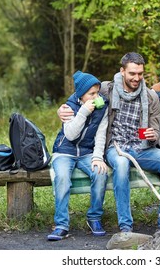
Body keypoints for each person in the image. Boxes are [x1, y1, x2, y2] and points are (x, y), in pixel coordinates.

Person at [58, 52, 160, 232]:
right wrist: (62, 109)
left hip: (141, 147)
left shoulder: (150, 96)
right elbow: (81, 94)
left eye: (140, 73)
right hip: (115, 148)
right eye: (132, 73)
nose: (136, 78)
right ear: (122, 71)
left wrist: (152, 134)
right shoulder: (107, 88)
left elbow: (154, 127)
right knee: (121, 164)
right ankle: (126, 226)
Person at [48, 70, 109, 241]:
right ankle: (61, 225)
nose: (96, 96)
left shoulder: (102, 107)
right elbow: (71, 135)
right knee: (62, 178)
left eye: (97, 92)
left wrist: (97, 157)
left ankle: (94, 217)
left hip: (86, 152)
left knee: (100, 173)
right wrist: (83, 112)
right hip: (64, 152)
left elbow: (101, 134)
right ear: (81, 95)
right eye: (92, 93)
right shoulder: (69, 107)